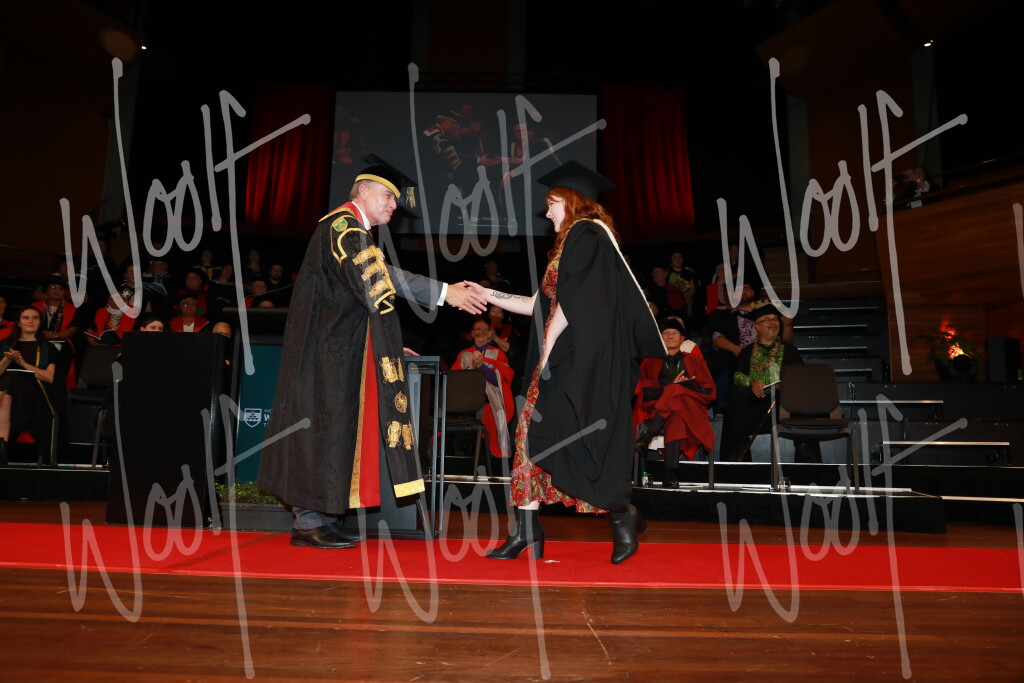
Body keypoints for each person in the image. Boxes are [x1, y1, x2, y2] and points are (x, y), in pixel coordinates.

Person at [257, 162, 488, 550]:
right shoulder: (343, 227)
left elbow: (357, 296)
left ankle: (319, 518)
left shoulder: (352, 230)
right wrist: (446, 292)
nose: (394, 205)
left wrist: (386, 344)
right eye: (388, 196)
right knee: (320, 430)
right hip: (324, 354)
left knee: (332, 431)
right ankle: (309, 521)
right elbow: (381, 278)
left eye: (395, 199)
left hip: (337, 349)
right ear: (362, 191)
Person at [469, 160, 664, 565]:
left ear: (573, 201)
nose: (547, 213)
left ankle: (621, 515)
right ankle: (527, 530)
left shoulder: (586, 233)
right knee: (528, 435)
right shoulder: (571, 243)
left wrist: (546, 351)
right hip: (564, 357)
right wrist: (486, 295)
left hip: (578, 361)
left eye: (552, 204)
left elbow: (573, 303)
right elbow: (539, 305)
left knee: (583, 440)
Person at [632, 317, 716, 487]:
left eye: (675, 333)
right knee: (675, 415)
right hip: (659, 409)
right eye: (666, 333)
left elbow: (708, 391)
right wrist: (672, 387)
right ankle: (669, 474)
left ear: (682, 338)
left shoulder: (695, 361)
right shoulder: (650, 362)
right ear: (661, 337)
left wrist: (685, 387)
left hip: (691, 409)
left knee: (678, 392)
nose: (670, 336)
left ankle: (647, 438)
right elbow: (647, 393)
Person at [719, 302, 804, 462]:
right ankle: (738, 453)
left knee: (801, 398)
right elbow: (737, 376)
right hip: (754, 405)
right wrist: (752, 383)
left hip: (782, 405)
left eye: (775, 319)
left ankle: (806, 452)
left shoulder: (790, 351)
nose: (772, 322)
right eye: (767, 319)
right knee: (735, 394)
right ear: (757, 327)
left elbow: (801, 377)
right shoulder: (747, 351)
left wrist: (786, 384)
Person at [0, 307, 58, 465]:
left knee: (10, 381)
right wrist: (8, 359)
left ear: (40, 322)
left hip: (36, 393)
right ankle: (1, 450)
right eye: (26, 318)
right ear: (18, 322)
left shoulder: (47, 347)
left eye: (35, 318)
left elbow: (49, 377)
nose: (30, 321)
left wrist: (23, 363)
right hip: (10, 397)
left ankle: (1, 447)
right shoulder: (5, 345)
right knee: (7, 393)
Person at [454, 318, 515, 461]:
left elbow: (500, 382)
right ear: (472, 333)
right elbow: (455, 381)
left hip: (491, 401)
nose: (480, 332)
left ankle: (494, 457)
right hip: (466, 401)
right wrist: (470, 369)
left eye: (483, 329)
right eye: (476, 329)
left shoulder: (498, 354)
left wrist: (481, 366)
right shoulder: (464, 354)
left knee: (490, 412)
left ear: (489, 334)